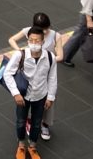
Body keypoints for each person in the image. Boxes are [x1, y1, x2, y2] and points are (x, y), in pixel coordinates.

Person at [3, 26, 57, 159]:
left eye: (37, 40)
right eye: (31, 40)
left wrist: (50, 97)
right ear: (28, 41)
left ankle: (32, 147)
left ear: (43, 41)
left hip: (41, 96)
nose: (34, 43)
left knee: (36, 122)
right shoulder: (20, 55)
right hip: (23, 96)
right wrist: (16, 93)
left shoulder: (50, 57)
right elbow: (7, 73)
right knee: (21, 121)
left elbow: (52, 78)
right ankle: (21, 145)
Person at [9, 13, 64, 141]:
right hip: (30, 72)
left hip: (46, 72)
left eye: (46, 28)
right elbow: (12, 39)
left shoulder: (56, 36)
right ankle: (29, 122)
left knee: (49, 99)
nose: (44, 31)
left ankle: (45, 124)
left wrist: (47, 60)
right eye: (41, 29)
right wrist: (20, 52)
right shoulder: (29, 32)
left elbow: (60, 56)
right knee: (27, 98)